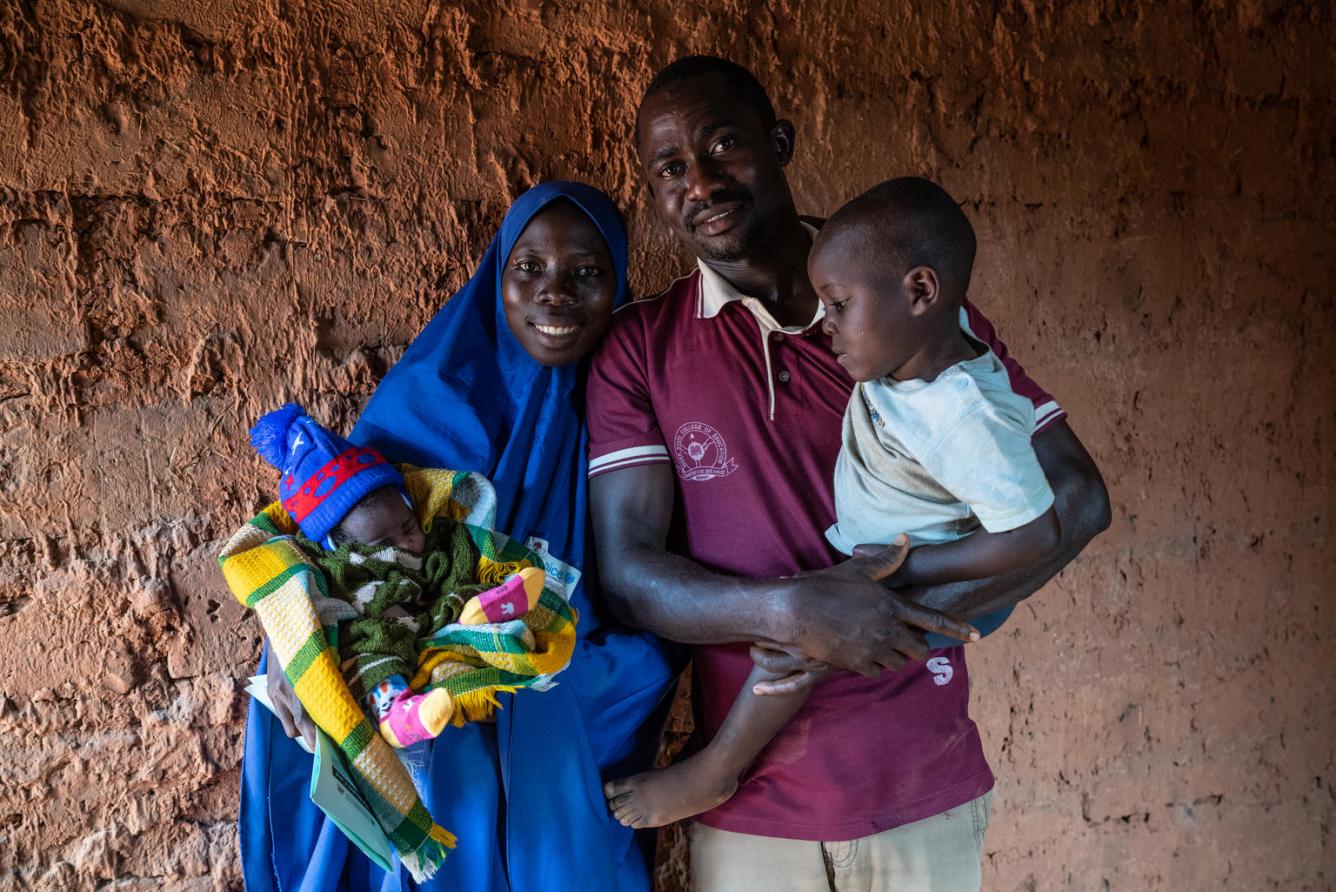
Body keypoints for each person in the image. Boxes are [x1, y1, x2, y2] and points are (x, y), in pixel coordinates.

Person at [590, 56, 1111, 890]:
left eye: (724, 145)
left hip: (916, 785)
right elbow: (628, 575)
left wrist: (886, 619)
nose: (702, 182)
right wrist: (792, 611)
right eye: (670, 169)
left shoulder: (910, 317)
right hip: (752, 811)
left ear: (780, 143)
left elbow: (1079, 502)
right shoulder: (641, 351)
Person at [239, 181, 681, 891]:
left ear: (619, 283)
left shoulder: (629, 408)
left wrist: (569, 678)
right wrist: (298, 645)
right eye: (529, 268)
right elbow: (329, 540)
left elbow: (652, 582)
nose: (555, 295)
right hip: (432, 741)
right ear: (496, 275)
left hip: (554, 717)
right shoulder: (432, 392)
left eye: (588, 274)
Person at [604, 174, 1063, 828]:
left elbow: (1037, 533)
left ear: (921, 291)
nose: (829, 327)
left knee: (798, 640)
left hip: (930, 567)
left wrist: (899, 570)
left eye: (840, 306)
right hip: (900, 555)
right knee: (803, 617)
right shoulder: (909, 361)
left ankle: (715, 769)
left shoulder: (957, 404)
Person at [247, 402, 556, 750]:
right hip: (376, 632)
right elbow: (305, 593)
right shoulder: (339, 568)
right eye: (384, 543)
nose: (408, 542)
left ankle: (494, 605)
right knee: (371, 657)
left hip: (439, 617)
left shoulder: (431, 537)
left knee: (458, 576)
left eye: (408, 525)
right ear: (343, 546)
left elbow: (454, 558)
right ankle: (398, 714)